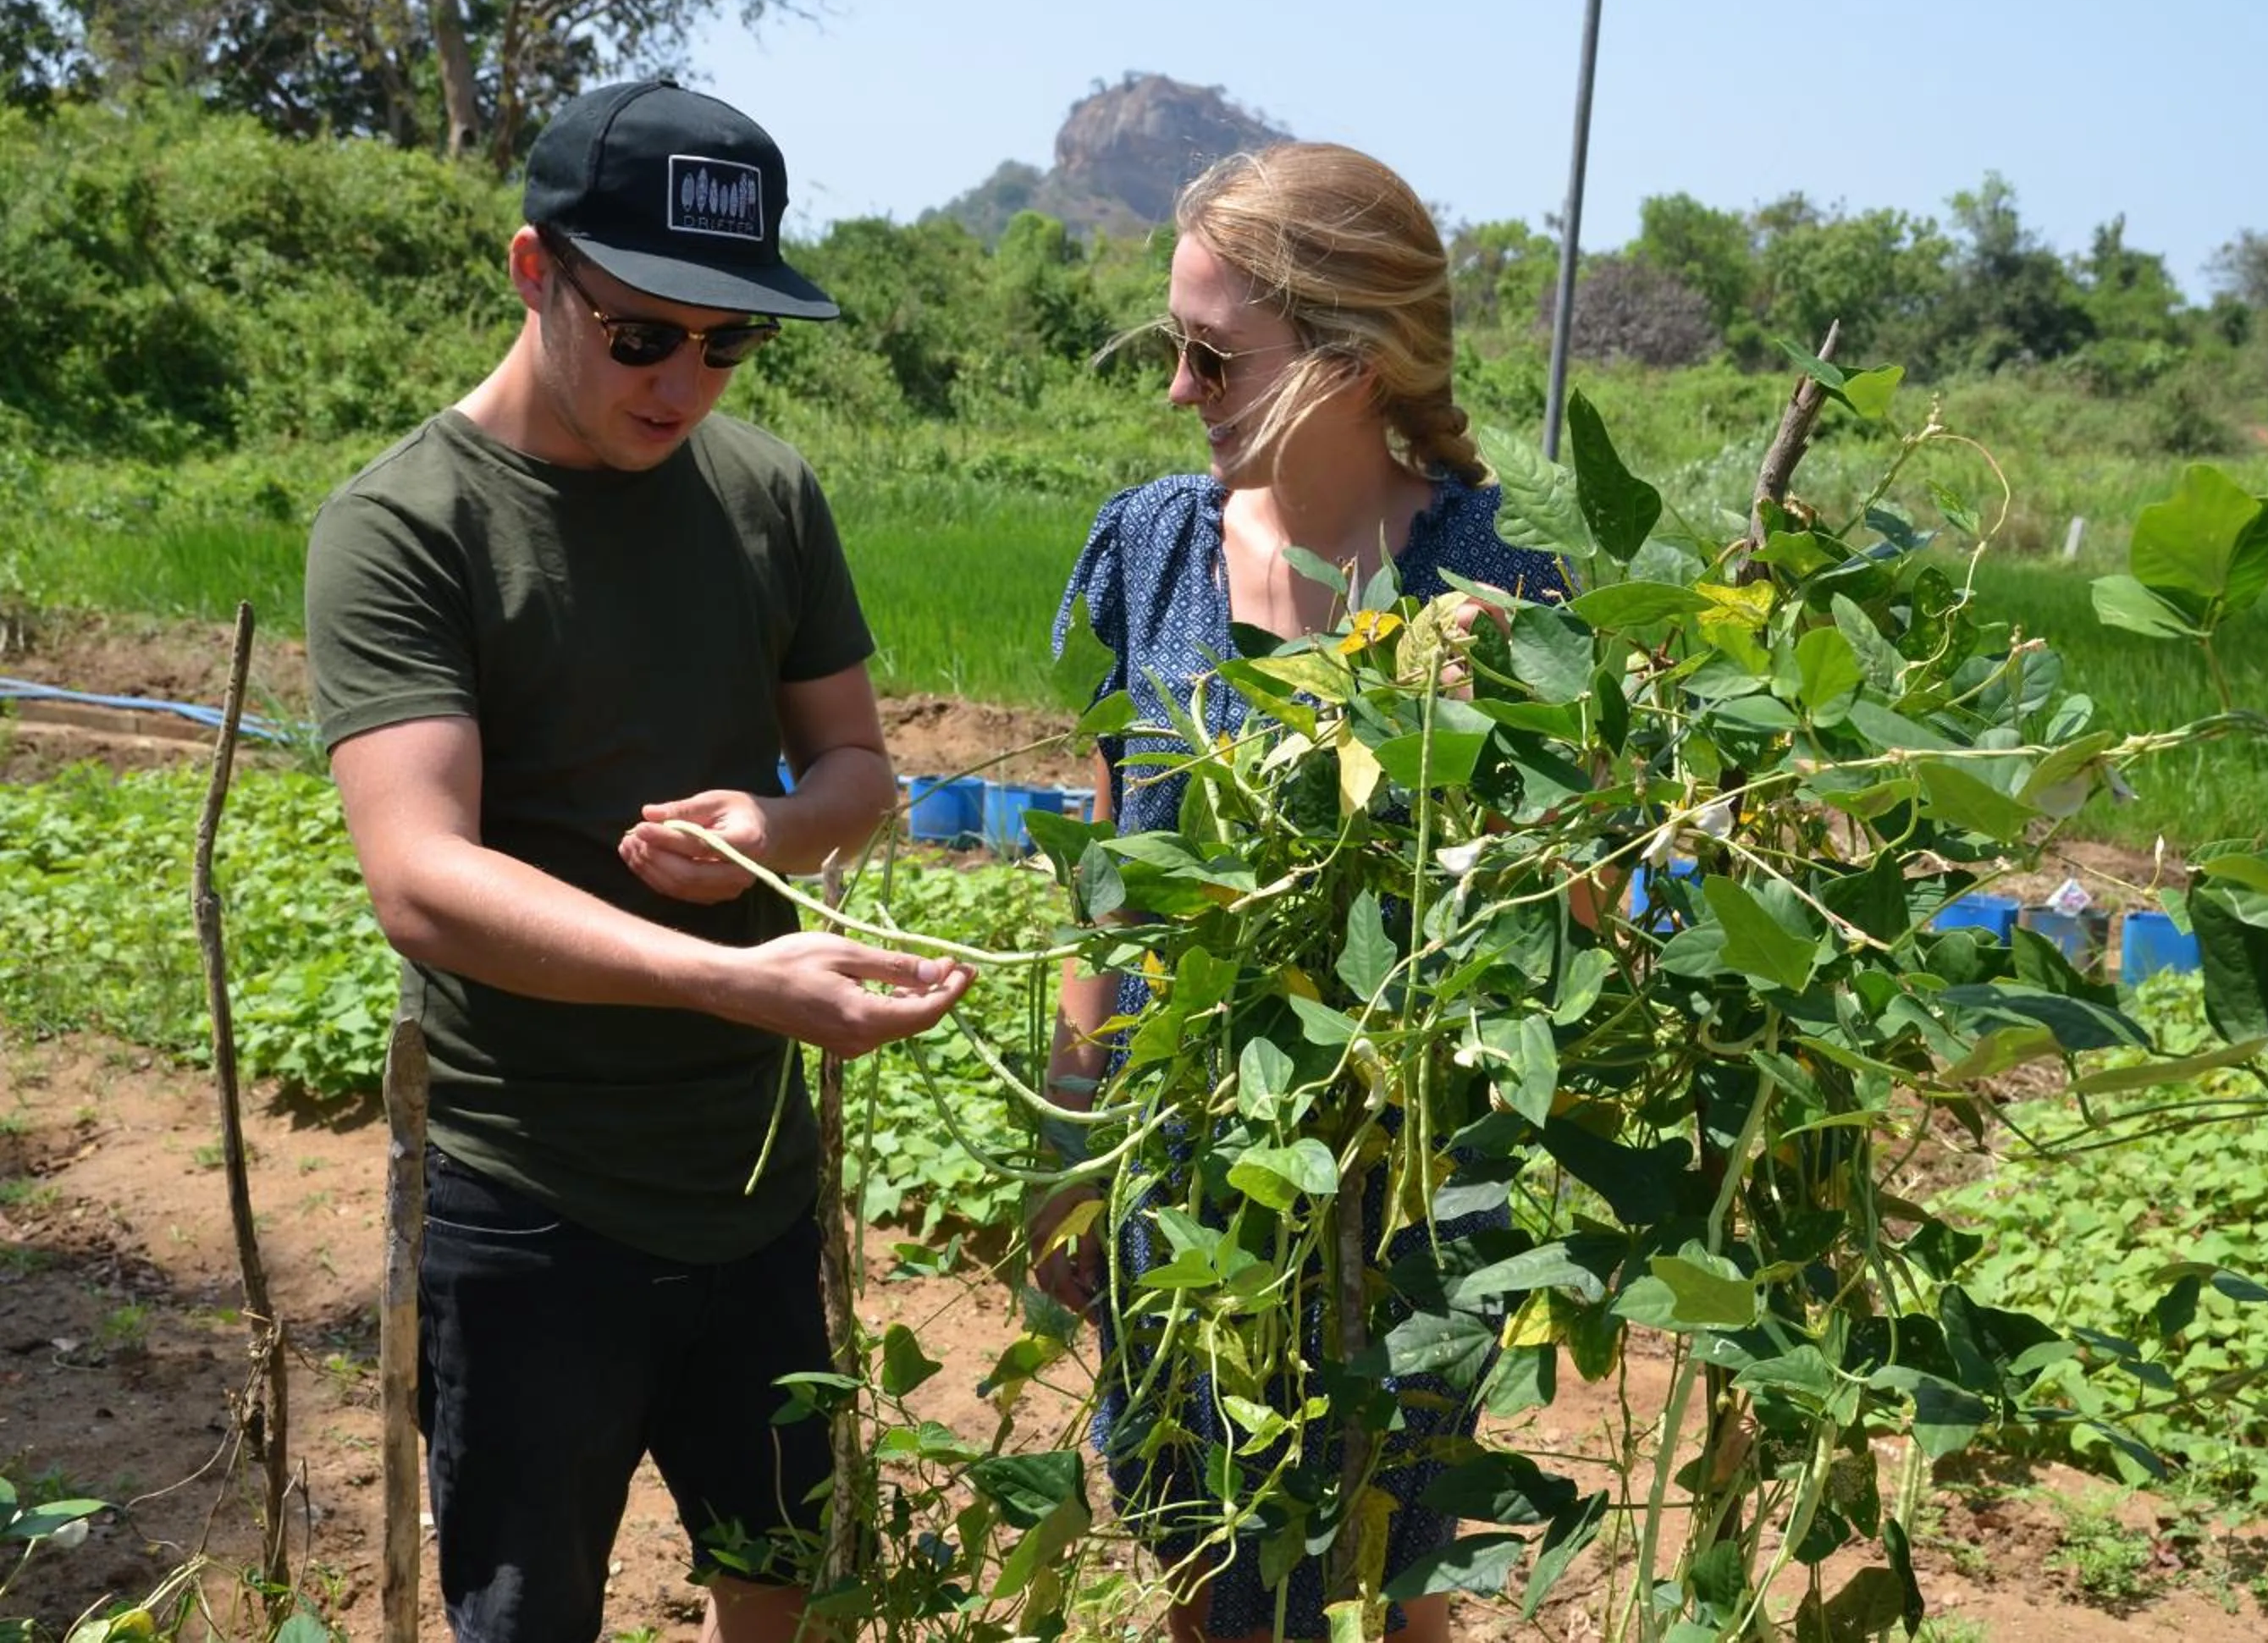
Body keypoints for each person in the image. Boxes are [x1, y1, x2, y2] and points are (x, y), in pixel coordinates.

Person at [305, 79, 974, 1643]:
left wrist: (777, 829)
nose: (687, 382)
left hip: (749, 1189)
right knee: (530, 1611)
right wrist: (736, 980)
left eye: (729, 342)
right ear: (537, 274)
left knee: (786, 1587)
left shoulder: (767, 499)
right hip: (534, 1200)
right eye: (643, 335)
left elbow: (860, 769)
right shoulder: (407, 526)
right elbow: (419, 873)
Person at [1032, 142, 1565, 1643]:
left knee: (1383, 1581)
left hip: (1406, 1199)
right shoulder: (1149, 546)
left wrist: (1486, 723)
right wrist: (1071, 1145)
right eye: (1174, 350)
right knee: (1208, 1566)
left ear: (1349, 362)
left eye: (1212, 356)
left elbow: (1569, 937)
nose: (1180, 392)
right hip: (1186, 1168)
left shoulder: (1503, 581)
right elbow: (1107, 883)